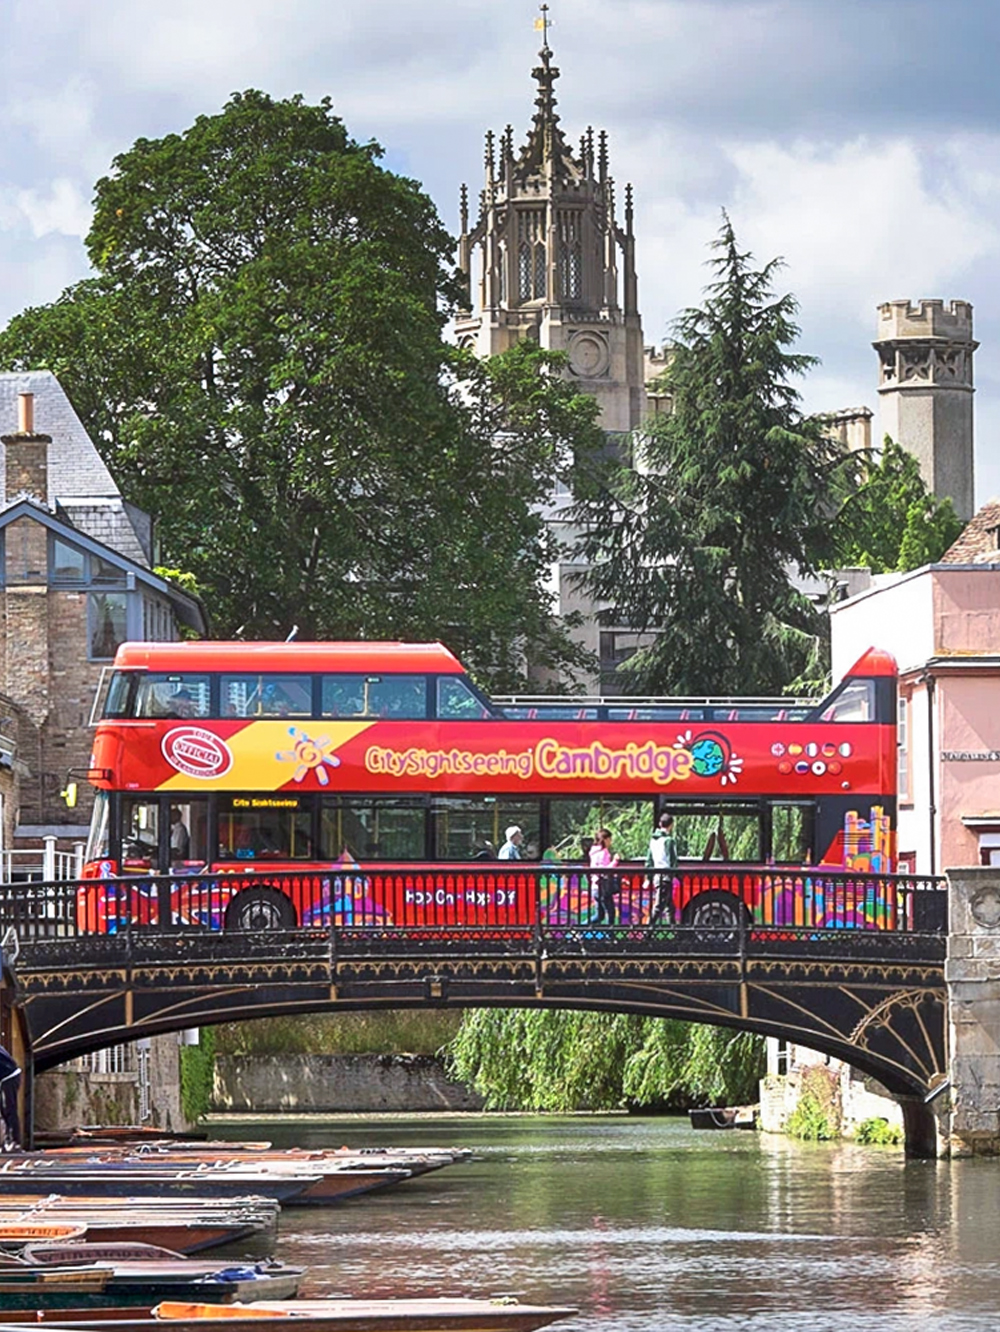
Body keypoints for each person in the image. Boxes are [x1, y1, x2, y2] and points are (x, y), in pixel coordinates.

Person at [646, 812, 678, 926]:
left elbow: (649, 861)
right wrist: (676, 875)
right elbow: (673, 861)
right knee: (660, 905)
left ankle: (675, 931)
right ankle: (647, 930)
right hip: (665, 875)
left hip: (656, 875)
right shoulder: (669, 841)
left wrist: (648, 877)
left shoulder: (653, 840)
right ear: (671, 825)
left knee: (670, 906)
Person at [590, 828, 620, 924]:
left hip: (595, 887)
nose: (610, 842)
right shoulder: (603, 853)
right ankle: (610, 937)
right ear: (605, 840)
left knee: (599, 915)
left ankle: (579, 928)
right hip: (603, 887)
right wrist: (615, 861)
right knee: (611, 912)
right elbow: (605, 870)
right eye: (610, 839)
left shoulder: (594, 852)